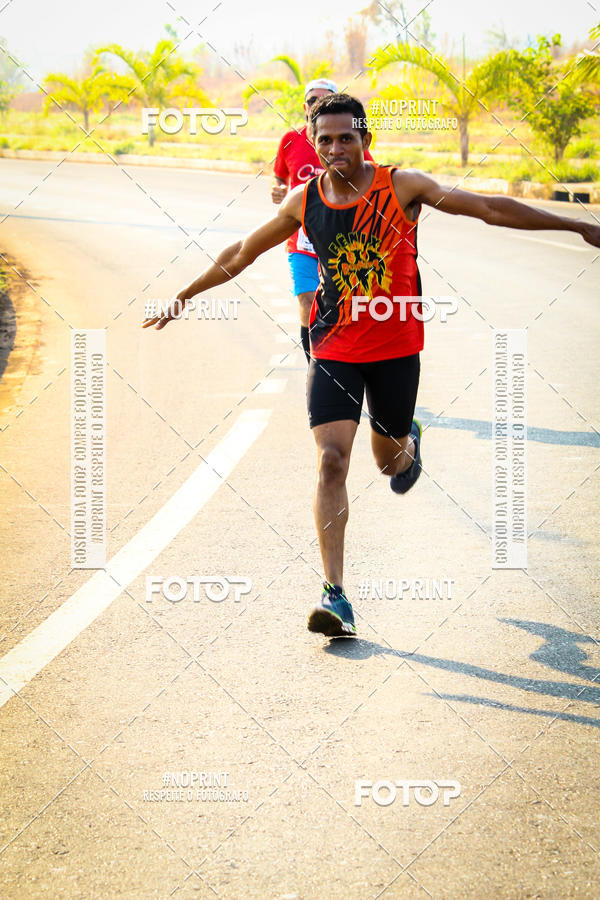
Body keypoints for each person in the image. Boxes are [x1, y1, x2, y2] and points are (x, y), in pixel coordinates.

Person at [143, 93, 600, 639]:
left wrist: (574, 224)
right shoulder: (302, 199)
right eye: (326, 139)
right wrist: (186, 294)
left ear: (366, 140)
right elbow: (243, 251)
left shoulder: (403, 187)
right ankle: (335, 594)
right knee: (331, 461)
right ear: (313, 144)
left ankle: (408, 445)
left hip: (395, 351)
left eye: (347, 138)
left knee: (388, 464)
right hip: (334, 348)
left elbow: (489, 208)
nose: (336, 148)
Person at [271, 78, 374, 362]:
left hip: (343, 238)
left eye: (324, 99)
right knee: (306, 301)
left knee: (347, 306)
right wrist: (278, 188)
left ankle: (352, 362)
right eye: (313, 101)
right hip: (301, 240)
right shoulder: (290, 141)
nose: (318, 105)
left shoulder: (348, 138)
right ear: (306, 107)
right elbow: (279, 176)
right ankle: (316, 367)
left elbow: (371, 177)